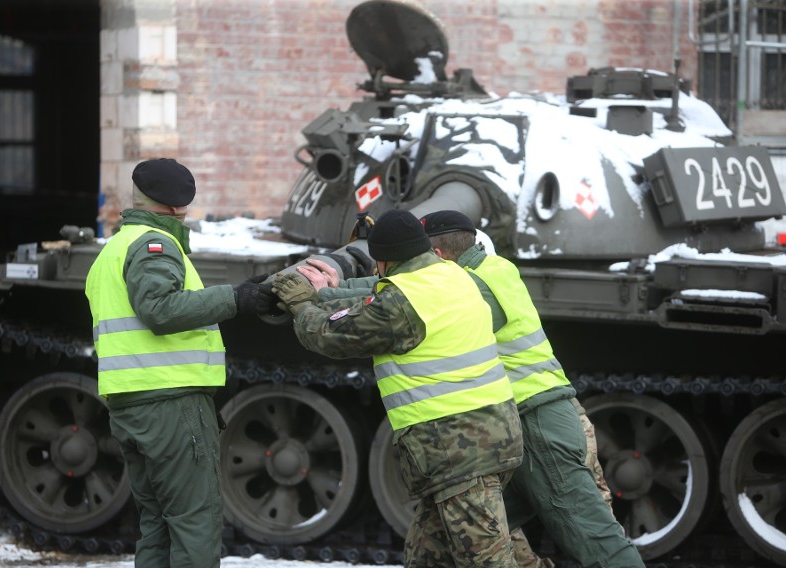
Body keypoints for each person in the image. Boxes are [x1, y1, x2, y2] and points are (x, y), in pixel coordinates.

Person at [299, 211, 638, 568]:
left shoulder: (470, 281)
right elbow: (398, 293)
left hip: (535, 420)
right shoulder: (484, 271)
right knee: (444, 548)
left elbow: (402, 304)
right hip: (506, 429)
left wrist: (329, 294)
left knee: (596, 540)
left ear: (439, 257)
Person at [272, 208, 523, 568]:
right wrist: (329, 292)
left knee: (488, 563)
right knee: (426, 558)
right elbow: (372, 301)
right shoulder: (452, 274)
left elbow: (328, 335)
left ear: (384, 261)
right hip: (492, 436)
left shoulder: (402, 303)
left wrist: (300, 304)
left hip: (459, 454)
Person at [84, 158, 273, 567]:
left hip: (129, 405)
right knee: (195, 524)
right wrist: (235, 299)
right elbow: (159, 308)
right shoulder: (155, 244)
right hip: (170, 405)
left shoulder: (112, 249)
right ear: (176, 207)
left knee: (157, 525)